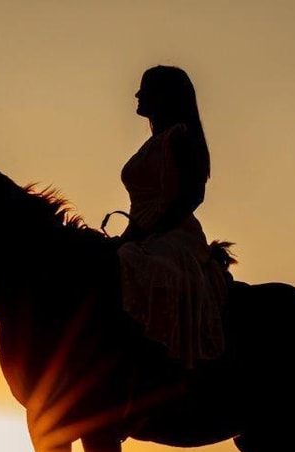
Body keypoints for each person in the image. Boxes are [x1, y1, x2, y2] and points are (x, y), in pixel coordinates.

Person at [116, 65, 226, 368]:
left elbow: (193, 195)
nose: (137, 94)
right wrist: (134, 231)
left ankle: (163, 360)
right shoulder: (154, 143)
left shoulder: (179, 137)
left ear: (165, 96)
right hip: (142, 232)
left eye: (146, 88)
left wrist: (152, 229)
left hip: (174, 236)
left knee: (136, 265)